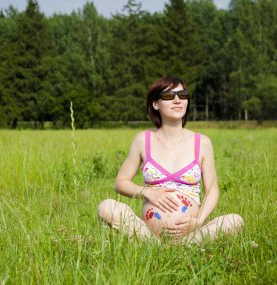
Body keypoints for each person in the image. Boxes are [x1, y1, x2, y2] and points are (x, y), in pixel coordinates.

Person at [98, 75, 244, 243]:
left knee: (235, 221)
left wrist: (199, 220)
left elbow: (212, 190)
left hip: (192, 235)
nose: (177, 100)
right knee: (106, 207)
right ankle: (153, 248)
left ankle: (184, 247)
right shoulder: (142, 140)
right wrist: (147, 192)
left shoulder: (202, 142)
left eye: (182, 95)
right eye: (168, 96)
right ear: (155, 104)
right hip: (147, 236)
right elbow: (120, 182)